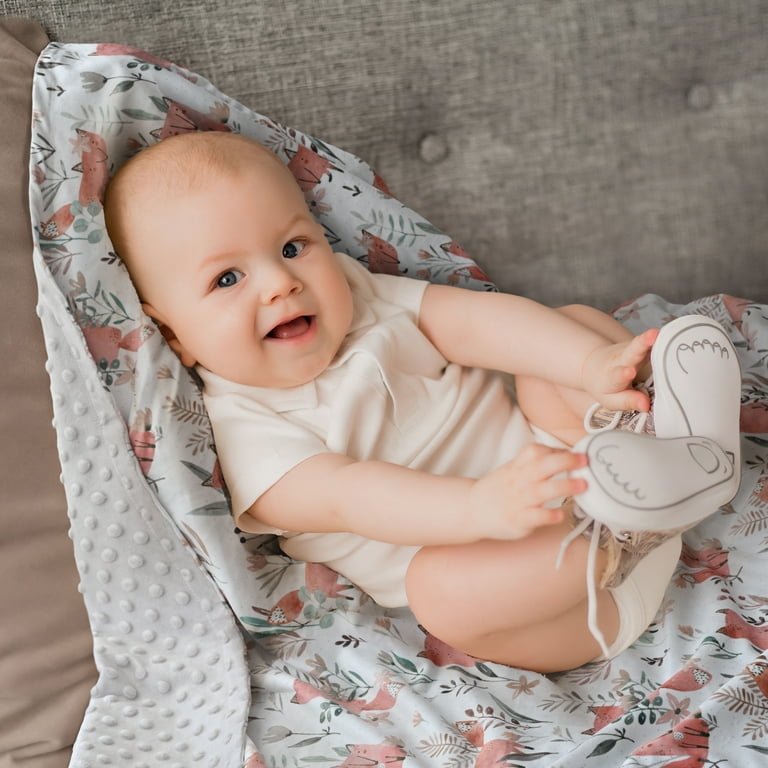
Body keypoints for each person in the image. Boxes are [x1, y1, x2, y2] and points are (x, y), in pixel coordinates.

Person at [103, 131, 741, 673]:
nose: (281, 282)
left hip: (578, 458)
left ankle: (679, 441)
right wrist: (478, 507)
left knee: (563, 336)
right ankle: (629, 518)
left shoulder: (360, 298)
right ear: (170, 335)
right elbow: (354, 492)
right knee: (441, 595)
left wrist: (591, 365)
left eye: (293, 247)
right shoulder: (243, 433)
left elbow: (476, 322)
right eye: (228, 279)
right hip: (562, 595)